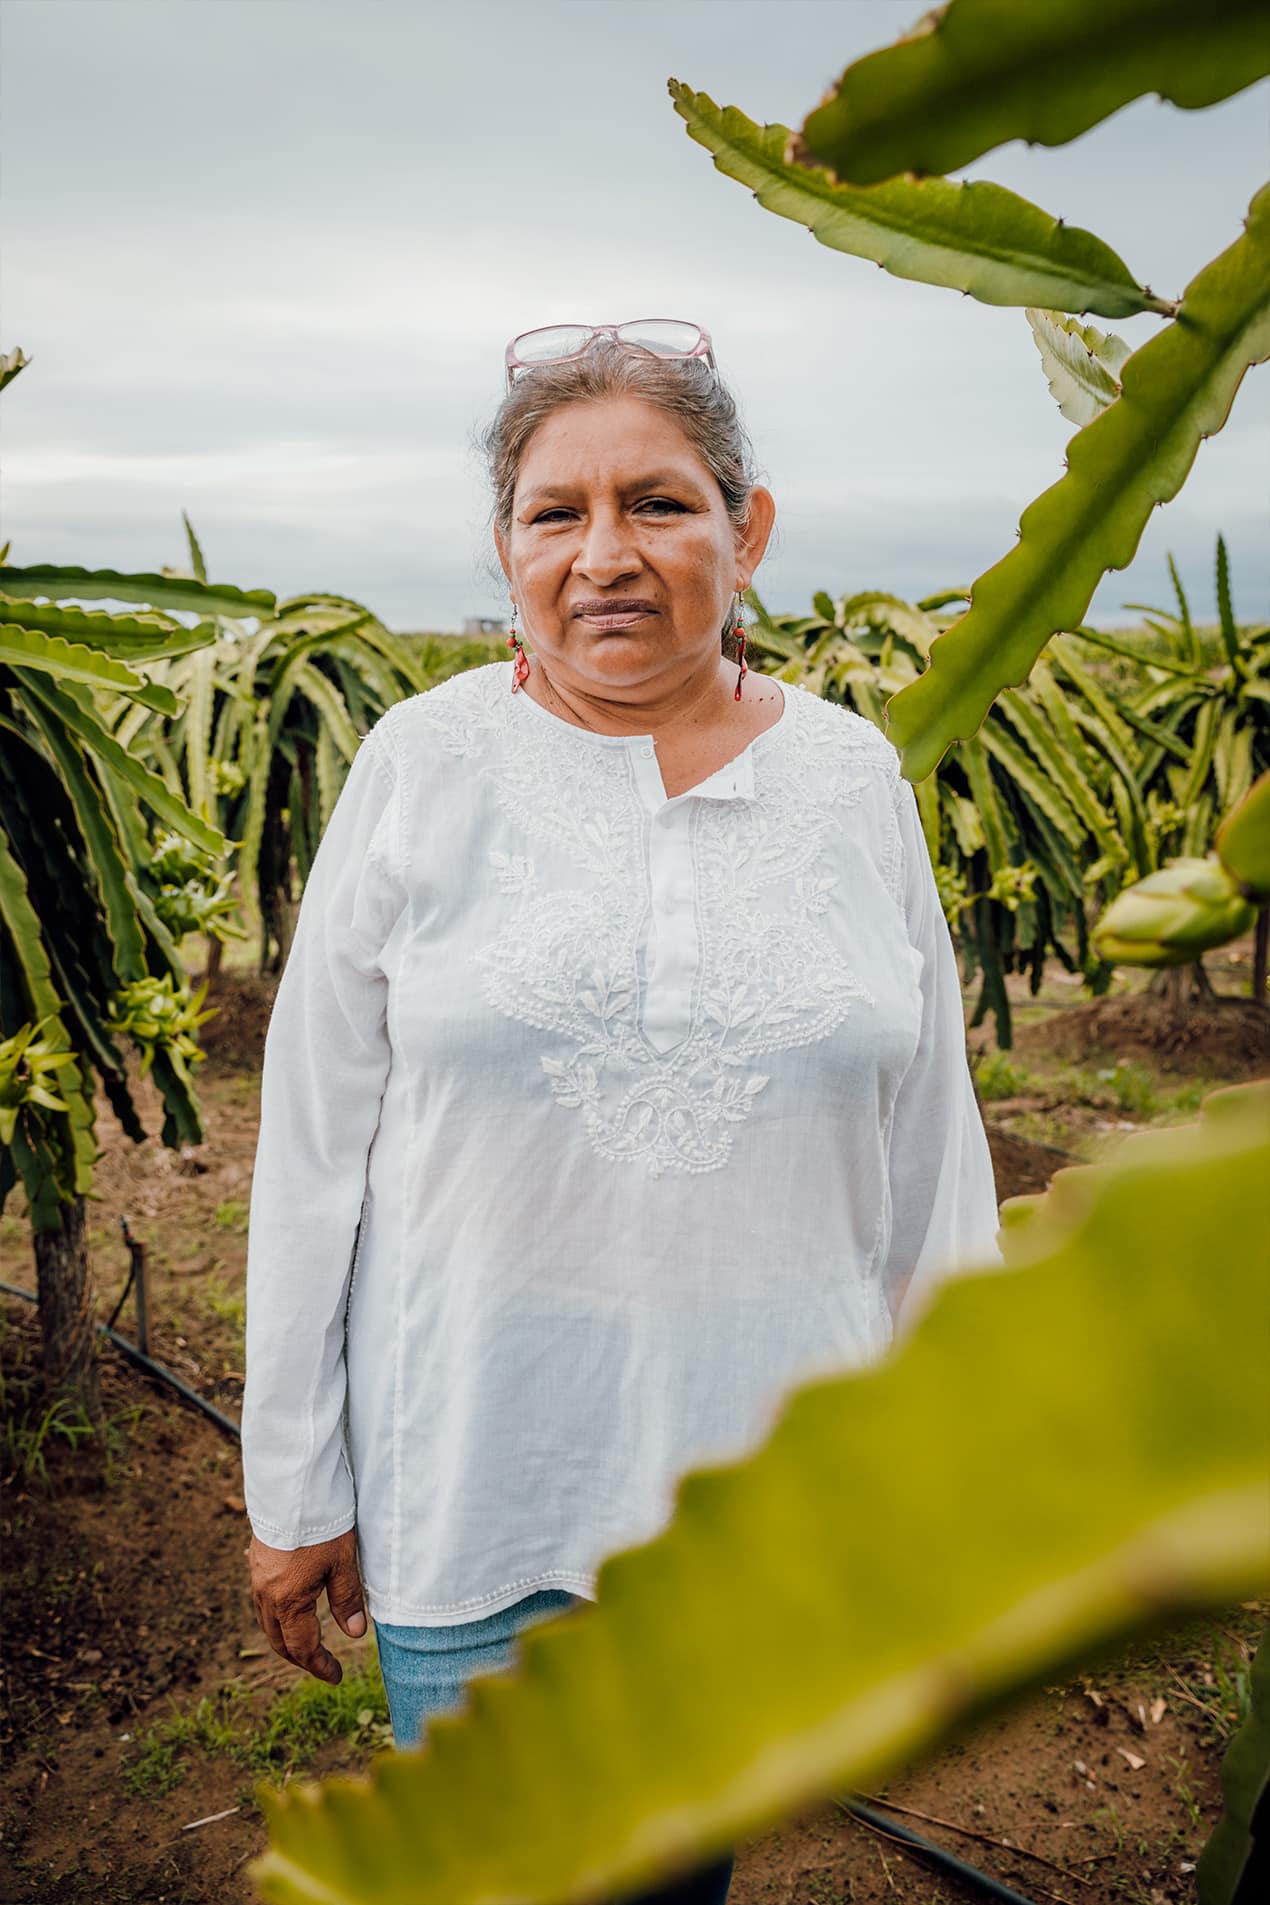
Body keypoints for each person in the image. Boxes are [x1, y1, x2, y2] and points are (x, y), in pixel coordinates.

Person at [241, 320, 1004, 1905]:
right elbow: (312, 1149)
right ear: (505, 547)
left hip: (752, 1499)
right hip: (472, 1468)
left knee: (674, 1876)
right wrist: (295, 1481)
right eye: (553, 513)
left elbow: (930, 1157)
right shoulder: (420, 767)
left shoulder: (855, 783)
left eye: (658, 504)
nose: (605, 556)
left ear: (748, 529)